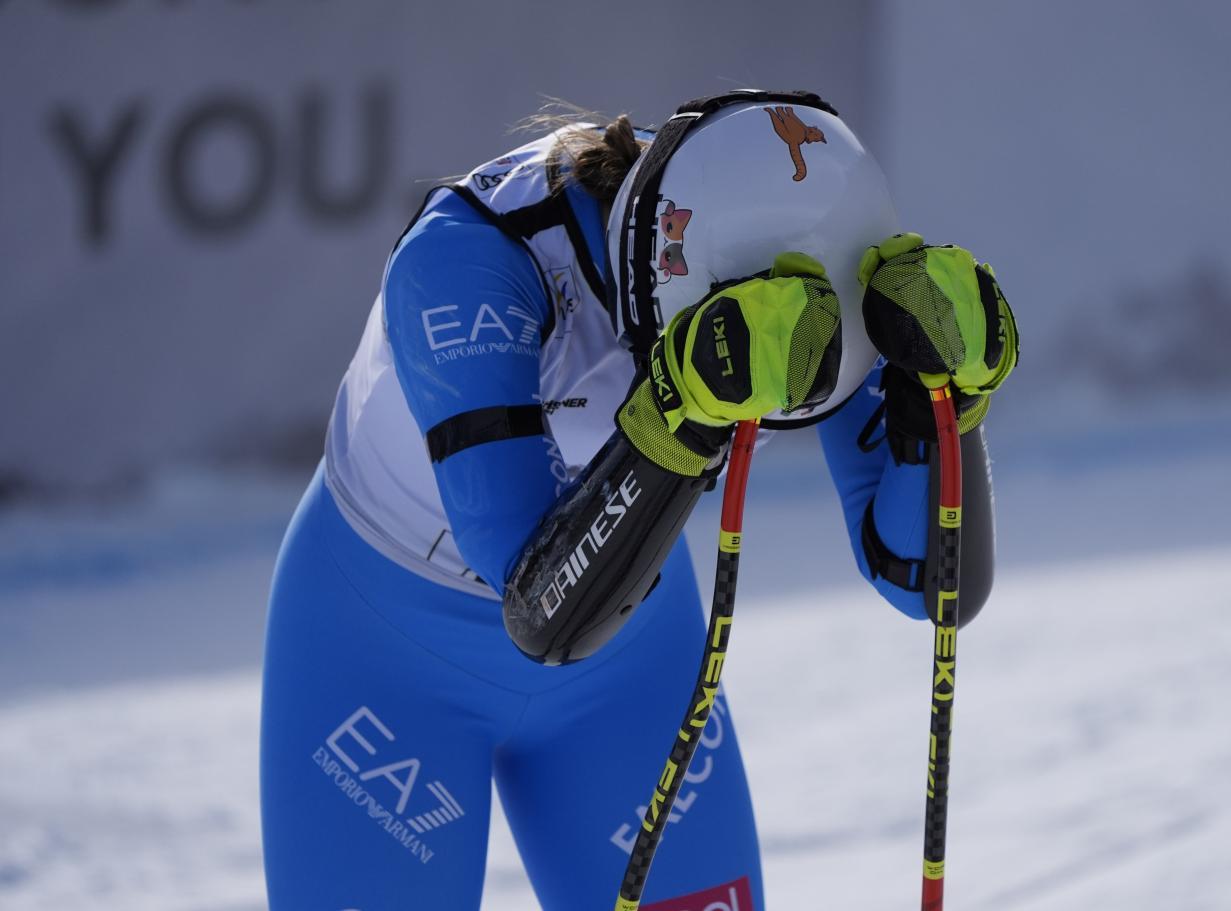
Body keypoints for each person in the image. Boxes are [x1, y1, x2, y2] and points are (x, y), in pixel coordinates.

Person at [259, 89, 1018, 910]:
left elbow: (931, 586)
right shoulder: (468, 260)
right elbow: (539, 606)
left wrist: (943, 406)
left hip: (629, 649)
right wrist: (680, 414)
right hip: (384, 651)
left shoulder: (819, 244)